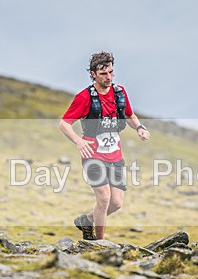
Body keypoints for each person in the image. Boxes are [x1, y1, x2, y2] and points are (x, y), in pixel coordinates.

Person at [59, 51, 150, 240]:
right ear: (93, 74)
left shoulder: (119, 93)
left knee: (116, 203)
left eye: (110, 72)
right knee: (104, 198)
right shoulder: (84, 98)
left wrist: (139, 128)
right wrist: (79, 140)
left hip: (115, 155)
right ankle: (100, 244)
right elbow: (64, 123)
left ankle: (87, 220)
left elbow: (129, 115)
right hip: (93, 155)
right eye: (103, 74)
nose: (108, 77)